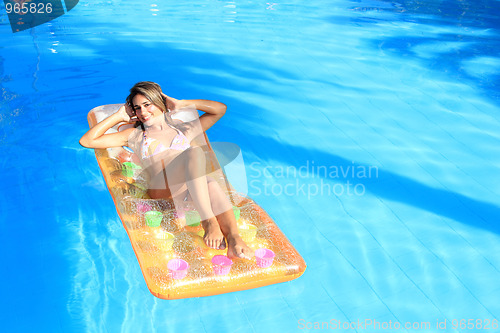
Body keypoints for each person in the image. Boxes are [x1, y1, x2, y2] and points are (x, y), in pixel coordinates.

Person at [80, 81, 252, 259]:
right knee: (193, 153)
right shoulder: (135, 136)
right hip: (160, 190)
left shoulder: (184, 130)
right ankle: (208, 221)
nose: (143, 112)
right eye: (137, 108)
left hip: (188, 191)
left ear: (160, 102)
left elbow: (220, 109)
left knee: (211, 184)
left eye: (148, 105)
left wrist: (181, 104)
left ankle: (234, 239)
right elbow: (87, 141)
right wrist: (118, 116)